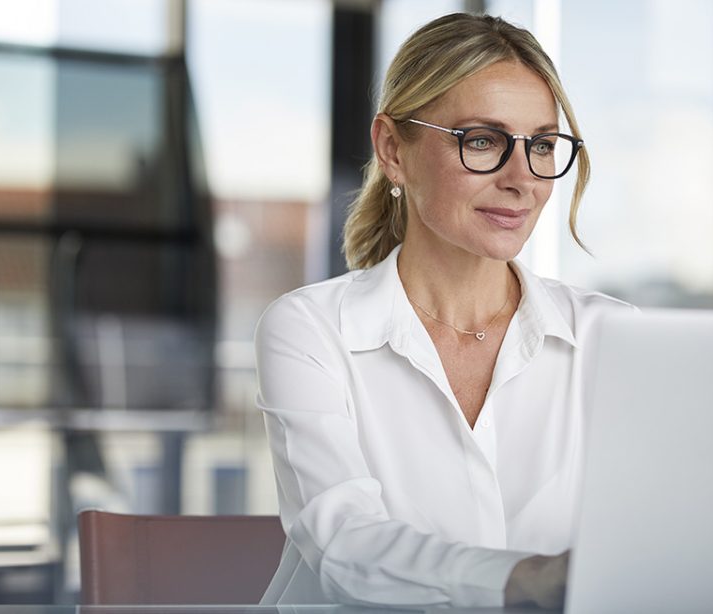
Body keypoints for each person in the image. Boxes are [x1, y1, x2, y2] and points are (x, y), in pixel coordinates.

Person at [255, 12, 630, 609]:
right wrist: (522, 578)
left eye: (540, 144)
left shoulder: (611, 336)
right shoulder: (311, 330)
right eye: (482, 141)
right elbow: (346, 542)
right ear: (393, 151)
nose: (523, 180)